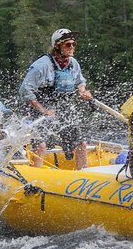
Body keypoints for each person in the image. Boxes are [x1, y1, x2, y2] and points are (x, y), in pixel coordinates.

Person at [18, 29, 93, 169]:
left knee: (80, 143)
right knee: (41, 145)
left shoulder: (72, 63)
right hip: (39, 108)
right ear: (57, 46)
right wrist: (43, 110)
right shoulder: (42, 65)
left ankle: (83, 175)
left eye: (73, 44)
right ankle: (34, 176)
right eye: (68, 45)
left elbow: (79, 81)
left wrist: (83, 91)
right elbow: (25, 91)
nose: (72, 48)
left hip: (62, 107)